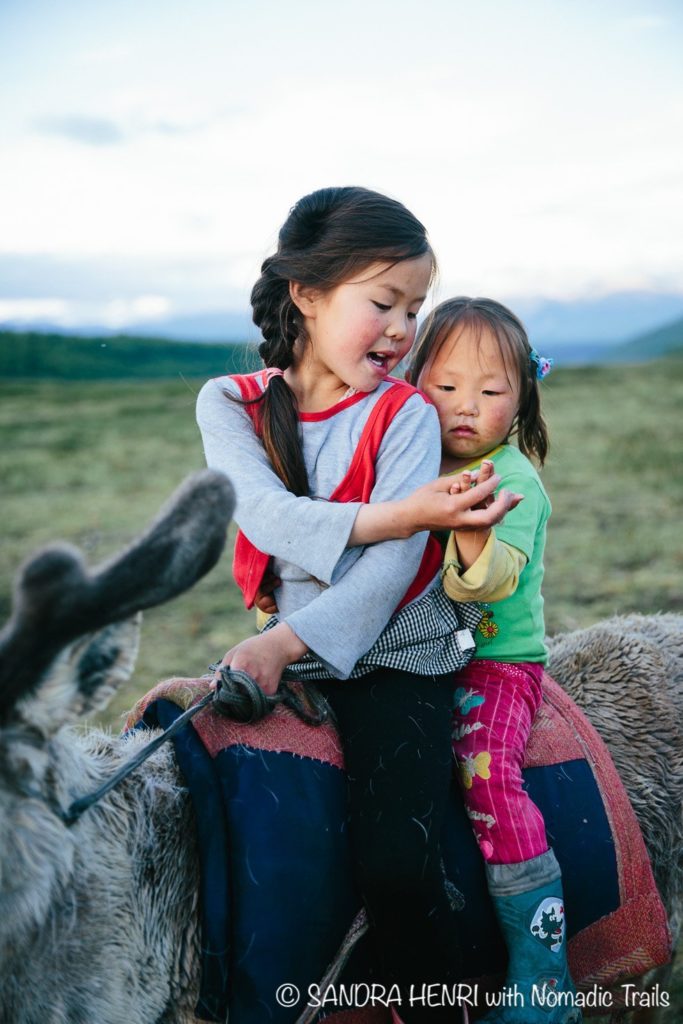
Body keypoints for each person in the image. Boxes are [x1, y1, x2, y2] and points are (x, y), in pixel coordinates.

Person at [196, 187, 517, 1023]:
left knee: (393, 865)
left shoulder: (404, 412)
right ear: (305, 293)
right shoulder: (229, 403)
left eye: (415, 308)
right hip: (283, 641)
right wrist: (402, 512)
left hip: (395, 649)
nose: (403, 331)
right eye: (383, 302)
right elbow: (266, 516)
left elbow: (387, 576)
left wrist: (286, 641)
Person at [405, 297, 580, 1024]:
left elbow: (490, 579)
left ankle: (544, 978)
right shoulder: (409, 463)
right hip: (418, 652)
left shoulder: (513, 481)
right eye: (444, 388)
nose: (464, 408)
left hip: (495, 661)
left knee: (484, 772)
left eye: (490, 390)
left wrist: (469, 527)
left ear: (521, 398)